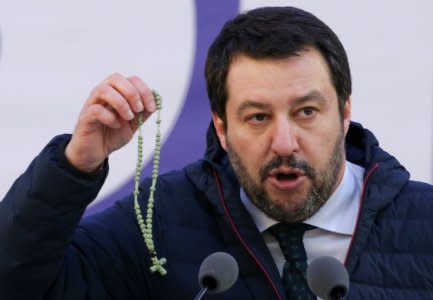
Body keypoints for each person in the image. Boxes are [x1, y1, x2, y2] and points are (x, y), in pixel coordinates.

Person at [1, 6, 433, 300]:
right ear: (222, 130)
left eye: (306, 112)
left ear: (344, 114)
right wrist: (73, 167)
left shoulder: (424, 223)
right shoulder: (157, 225)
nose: (284, 143)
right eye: (257, 117)